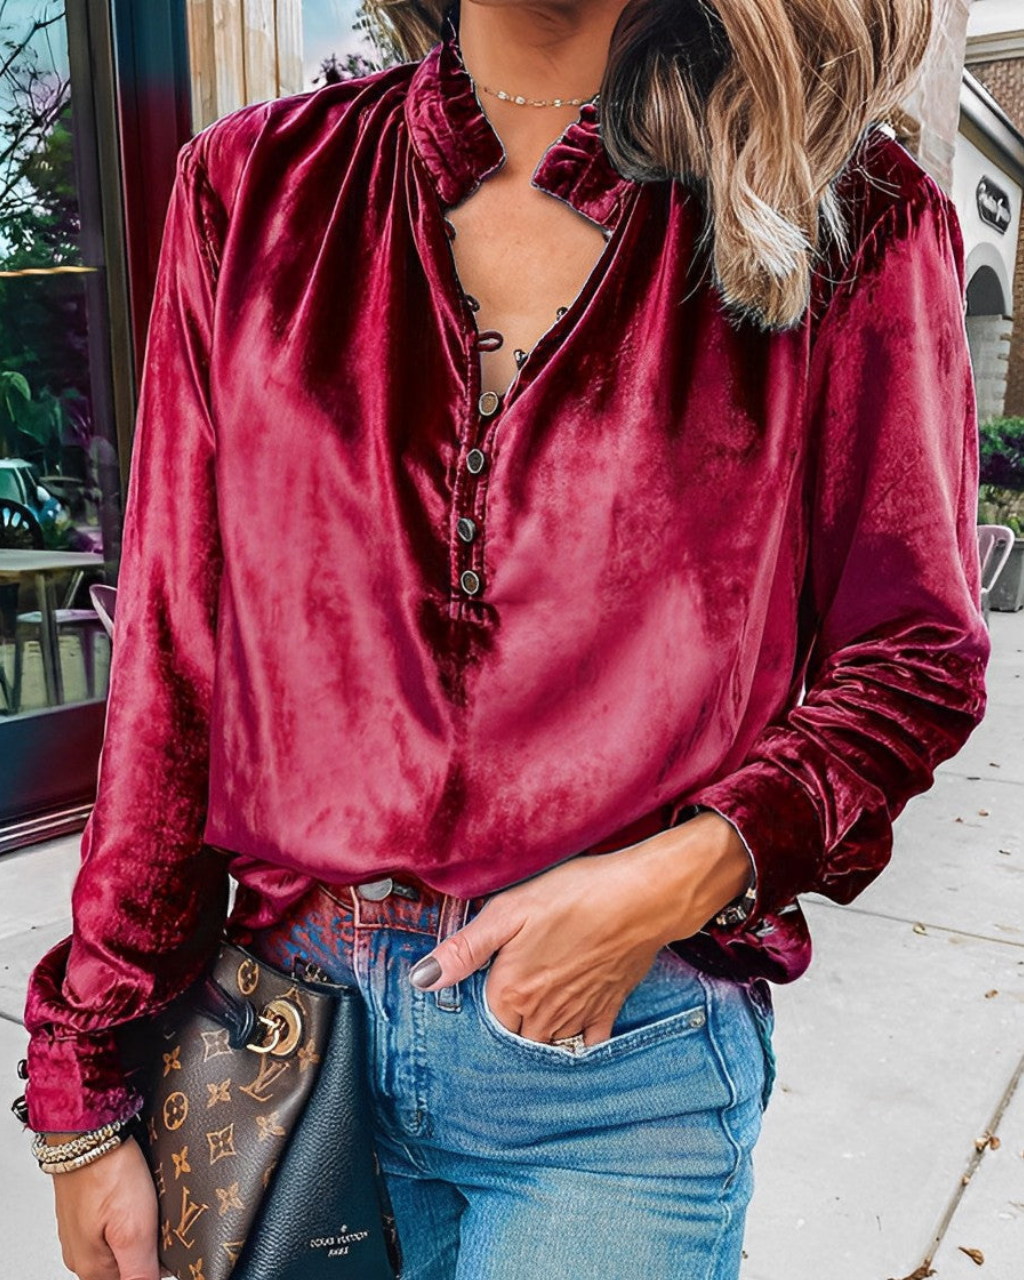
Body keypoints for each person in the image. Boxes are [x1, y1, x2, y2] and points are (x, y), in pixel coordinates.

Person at [20, 0, 991, 1276]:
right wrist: (84, 1077)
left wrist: (687, 870)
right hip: (283, 1041)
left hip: (612, 1067)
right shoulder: (252, 189)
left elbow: (915, 654)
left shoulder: (848, 209)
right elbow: (172, 667)